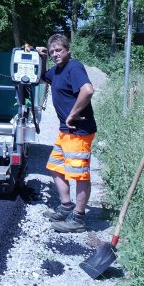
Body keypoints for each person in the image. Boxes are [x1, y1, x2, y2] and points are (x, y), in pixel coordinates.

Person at [38, 34, 97, 233]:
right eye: (52, 51)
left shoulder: (74, 67)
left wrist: (73, 113)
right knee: (55, 167)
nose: (55, 54)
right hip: (66, 131)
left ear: (68, 50)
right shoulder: (56, 71)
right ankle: (66, 206)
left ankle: (79, 218)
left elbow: (87, 90)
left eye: (59, 50)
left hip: (79, 131)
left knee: (79, 175)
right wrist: (43, 57)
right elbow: (41, 77)